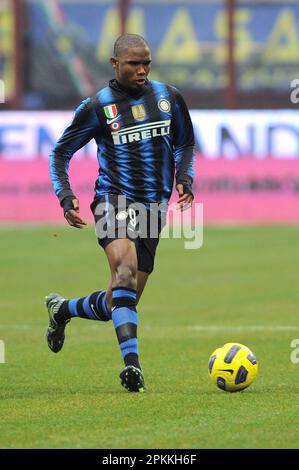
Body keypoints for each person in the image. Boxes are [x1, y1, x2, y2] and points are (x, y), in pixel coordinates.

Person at [46, 33, 195, 393]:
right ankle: (132, 367)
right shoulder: (98, 106)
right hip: (114, 200)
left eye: (146, 63)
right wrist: (66, 195)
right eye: (134, 63)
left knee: (118, 299)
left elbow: (185, 142)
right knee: (124, 272)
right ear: (115, 64)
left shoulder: (169, 97)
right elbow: (60, 154)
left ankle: (63, 309)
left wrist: (185, 177)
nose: (142, 70)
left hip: (153, 210)